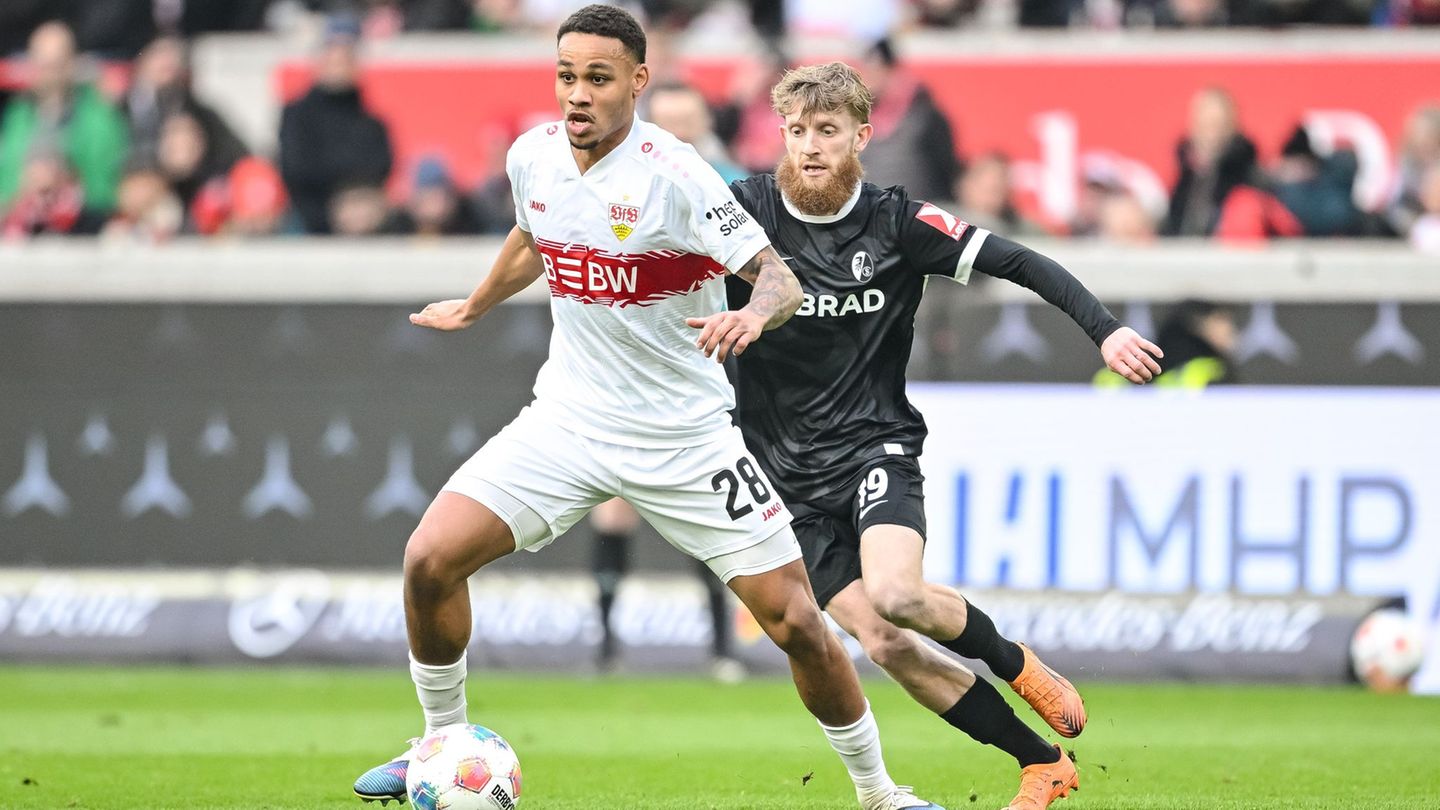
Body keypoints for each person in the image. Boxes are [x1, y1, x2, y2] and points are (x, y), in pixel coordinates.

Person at [352, 8, 940, 810]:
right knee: (428, 559)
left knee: (798, 622)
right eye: (567, 76)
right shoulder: (534, 156)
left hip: (685, 438)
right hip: (567, 419)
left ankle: (881, 796)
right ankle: (438, 745)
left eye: (598, 78)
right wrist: (478, 303)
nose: (579, 94)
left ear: (638, 81)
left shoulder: (678, 176)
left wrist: (750, 314)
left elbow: (781, 278)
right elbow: (534, 236)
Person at [725, 62, 1163, 810]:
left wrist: (1105, 329)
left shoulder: (899, 222)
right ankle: (1042, 764)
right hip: (780, 471)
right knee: (885, 641)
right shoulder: (740, 211)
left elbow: (1019, 260)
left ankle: (1015, 662)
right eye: (796, 131)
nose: (808, 148)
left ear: (863, 135)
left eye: (827, 131)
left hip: (874, 445)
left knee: (897, 592)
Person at [588, 497, 748, 682]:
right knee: (611, 521)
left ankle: (723, 652)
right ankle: (606, 653)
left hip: (676, 470)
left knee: (701, 522)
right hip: (631, 468)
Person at [278, 13, 394, 234]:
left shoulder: (372, 121)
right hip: (308, 222)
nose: (338, 62)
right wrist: (342, 203)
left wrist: (355, 201)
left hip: (367, 224)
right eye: (333, 54)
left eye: (346, 55)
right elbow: (297, 172)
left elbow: (382, 168)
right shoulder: (296, 115)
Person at [0, 20, 130, 214]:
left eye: (56, 65)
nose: (49, 74)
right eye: (42, 64)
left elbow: (107, 184)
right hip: (19, 226)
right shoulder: (17, 114)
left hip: (82, 227)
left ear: (72, 63)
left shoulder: (100, 115)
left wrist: (64, 182)